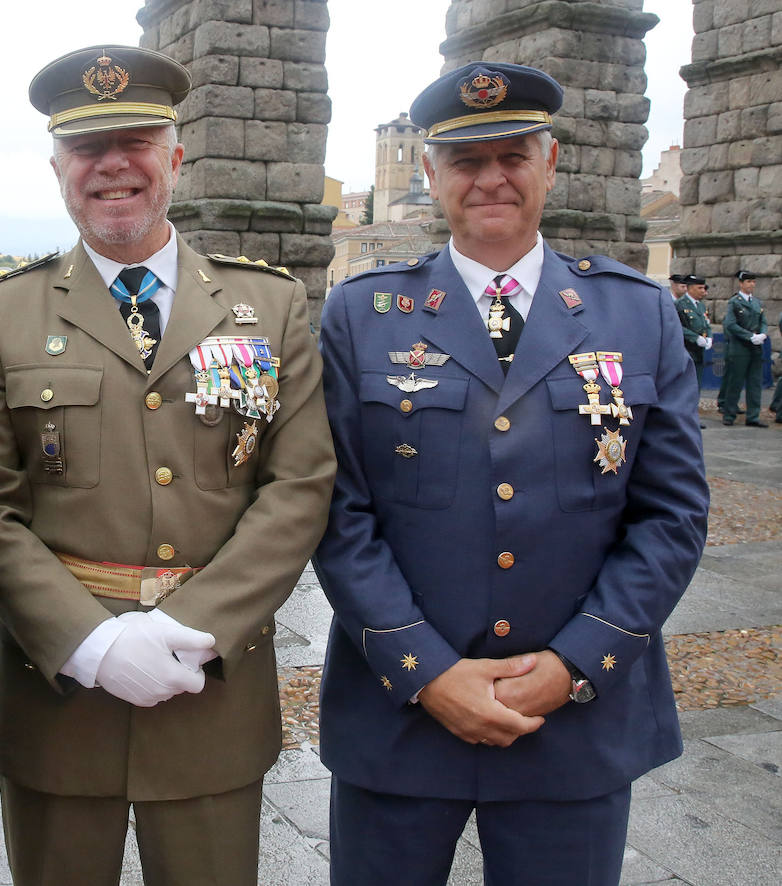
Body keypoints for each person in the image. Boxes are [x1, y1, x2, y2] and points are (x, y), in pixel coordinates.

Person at [312, 61, 709, 886]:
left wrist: (573, 666)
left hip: (574, 725)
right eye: (465, 160)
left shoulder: (637, 314)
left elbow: (670, 516)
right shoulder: (360, 316)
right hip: (403, 713)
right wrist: (429, 671)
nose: (490, 178)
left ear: (550, 162)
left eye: (513, 156)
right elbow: (337, 511)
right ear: (429, 175)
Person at [0, 45, 335, 885]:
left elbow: (298, 484)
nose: (113, 165)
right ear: (58, 167)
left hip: (214, 686)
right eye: (89, 147)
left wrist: (187, 627)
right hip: (54, 695)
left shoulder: (268, 305)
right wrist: (85, 642)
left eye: (136, 140)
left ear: (175, 155)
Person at [718, 269, 768, 426]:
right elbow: (730, 324)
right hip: (740, 347)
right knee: (735, 382)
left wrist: (763, 334)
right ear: (741, 284)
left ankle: (753, 416)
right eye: (748, 282)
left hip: (755, 347)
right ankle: (729, 414)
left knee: (754, 384)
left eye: (753, 282)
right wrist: (749, 336)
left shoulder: (757, 302)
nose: (751, 285)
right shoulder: (735, 302)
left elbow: (763, 321)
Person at [675, 274, 711, 428]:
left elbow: (705, 323)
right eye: (700, 288)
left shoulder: (701, 306)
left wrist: (708, 337)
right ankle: (682, 417)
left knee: (696, 385)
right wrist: (694, 337)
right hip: (687, 350)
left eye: (704, 288)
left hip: (699, 351)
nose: (704, 291)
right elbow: (677, 326)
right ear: (690, 288)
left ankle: (693, 416)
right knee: (685, 386)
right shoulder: (680, 304)